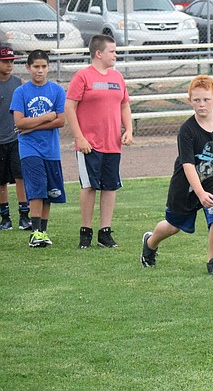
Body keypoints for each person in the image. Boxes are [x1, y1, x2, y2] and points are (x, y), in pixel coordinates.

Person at [140, 75, 213, 275]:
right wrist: (199, 193)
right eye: (196, 100)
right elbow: (188, 164)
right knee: (173, 227)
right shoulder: (186, 130)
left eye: (206, 99)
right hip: (186, 184)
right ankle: (150, 242)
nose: (201, 104)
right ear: (190, 101)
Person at [66, 34, 133, 249]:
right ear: (98, 53)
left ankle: (105, 232)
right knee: (89, 186)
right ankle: (85, 232)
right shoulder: (83, 76)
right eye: (112, 51)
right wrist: (79, 137)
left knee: (110, 187)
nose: (116, 55)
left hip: (112, 143)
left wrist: (128, 129)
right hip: (89, 144)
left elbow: (124, 105)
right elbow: (70, 107)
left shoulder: (117, 77)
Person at [9, 50, 67, 247]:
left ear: (48, 67)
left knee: (49, 191)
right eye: (36, 67)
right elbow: (19, 122)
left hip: (51, 149)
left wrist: (33, 124)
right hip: (29, 148)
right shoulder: (21, 92)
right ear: (28, 67)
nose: (40, 71)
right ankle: (35, 232)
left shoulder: (57, 91)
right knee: (36, 187)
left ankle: (43, 231)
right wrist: (46, 117)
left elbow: (60, 121)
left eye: (43, 67)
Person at [0, 45, 30, 231]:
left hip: (16, 139)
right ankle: (5, 217)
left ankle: (24, 215)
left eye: (11, 61)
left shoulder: (20, 84)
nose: (9, 65)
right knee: (1, 181)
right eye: (5, 61)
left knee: (21, 177)